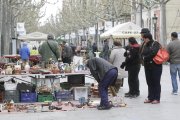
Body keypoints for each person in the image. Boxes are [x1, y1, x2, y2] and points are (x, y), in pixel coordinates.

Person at [140, 33, 162, 104]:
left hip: (156, 66)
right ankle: (150, 97)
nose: (143, 40)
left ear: (147, 38)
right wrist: (142, 57)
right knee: (149, 82)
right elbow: (141, 53)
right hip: (147, 66)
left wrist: (145, 57)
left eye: (144, 38)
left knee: (156, 82)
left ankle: (157, 98)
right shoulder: (145, 44)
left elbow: (154, 53)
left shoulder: (155, 44)